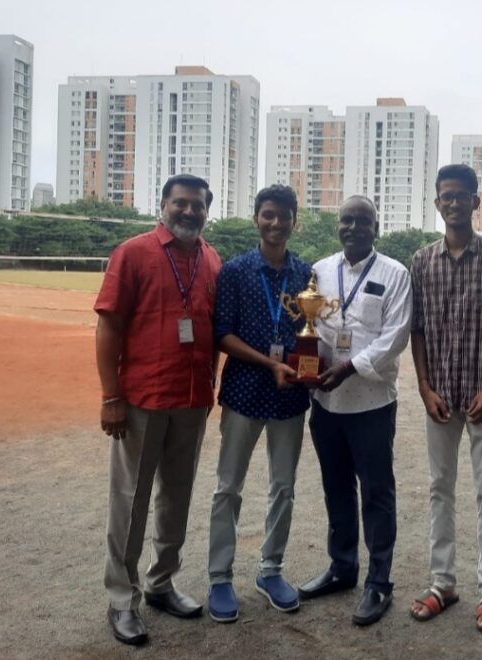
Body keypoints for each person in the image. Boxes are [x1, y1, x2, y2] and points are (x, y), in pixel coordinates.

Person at [95, 174, 222, 645]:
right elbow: (109, 325)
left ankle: (161, 582)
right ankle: (122, 599)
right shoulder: (134, 253)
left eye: (198, 206)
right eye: (181, 203)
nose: (189, 212)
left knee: (178, 496)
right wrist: (111, 397)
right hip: (142, 398)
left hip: (190, 400)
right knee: (131, 499)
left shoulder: (211, 260)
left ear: (208, 210)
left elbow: (210, 328)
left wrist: (209, 383)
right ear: (164, 204)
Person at [408, 164, 482, 633]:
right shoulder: (422, 260)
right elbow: (417, 329)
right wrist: (425, 387)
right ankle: (443, 583)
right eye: (444, 196)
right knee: (439, 489)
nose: (452, 203)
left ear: (477, 201)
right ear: (436, 204)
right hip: (440, 397)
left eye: (461, 195)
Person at [298, 195, 412, 626]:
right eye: (346, 221)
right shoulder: (321, 271)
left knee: (377, 494)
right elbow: (315, 329)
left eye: (363, 222)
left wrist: (348, 367)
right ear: (338, 227)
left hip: (371, 403)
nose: (353, 228)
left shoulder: (395, 274)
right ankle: (342, 567)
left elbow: (395, 336)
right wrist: (309, 366)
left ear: (376, 228)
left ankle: (379, 582)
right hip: (326, 402)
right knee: (337, 488)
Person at [207, 184, 311, 623]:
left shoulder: (306, 276)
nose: (275, 223)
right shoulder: (235, 271)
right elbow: (222, 333)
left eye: (283, 216)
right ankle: (219, 577)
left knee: (283, 487)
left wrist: (307, 369)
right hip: (245, 391)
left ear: (293, 221)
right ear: (256, 218)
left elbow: (312, 333)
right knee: (229, 487)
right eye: (267, 214)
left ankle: (270, 570)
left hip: (290, 395)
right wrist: (266, 364)